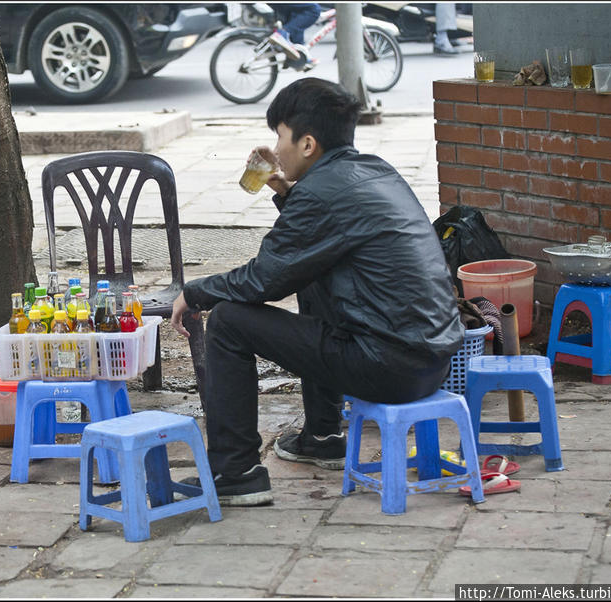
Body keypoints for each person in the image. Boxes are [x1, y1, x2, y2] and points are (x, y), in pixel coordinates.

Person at [171, 78, 465, 507]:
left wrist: (195, 293)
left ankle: (235, 472)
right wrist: (286, 192)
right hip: (432, 361)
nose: (277, 147)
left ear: (307, 144)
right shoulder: (374, 169)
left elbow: (262, 280)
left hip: (388, 368)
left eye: (280, 136)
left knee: (230, 320)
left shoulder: (321, 195)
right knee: (312, 276)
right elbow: (313, 246)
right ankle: (324, 436)